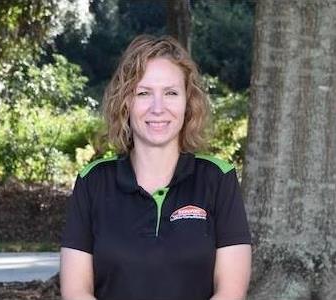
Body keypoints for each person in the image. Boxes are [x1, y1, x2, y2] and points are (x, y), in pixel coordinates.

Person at [60, 34, 251, 300]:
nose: (158, 108)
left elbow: (231, 291)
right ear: (125, 102)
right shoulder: (92, 181)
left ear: (188, 103)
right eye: (144, 93)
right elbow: (76, 291)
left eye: (171, 93)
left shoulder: (219, 178)